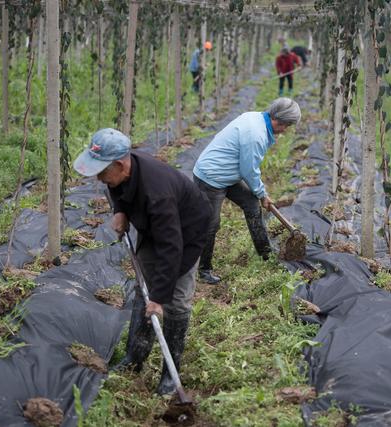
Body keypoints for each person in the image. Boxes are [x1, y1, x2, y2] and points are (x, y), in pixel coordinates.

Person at [73, 128, 212, 395]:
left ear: (120, 165)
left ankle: (170, 376)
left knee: (175, 298)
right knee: (144, 288)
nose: (100, 179)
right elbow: (116, 187)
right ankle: (134, 358)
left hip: (187, 231)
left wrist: (159, 299)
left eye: (103, 172)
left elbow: (172, 249)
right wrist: (121, 211)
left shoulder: (156, 193)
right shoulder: (122, 168)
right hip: (153, 225)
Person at [193, 98, 301, 284]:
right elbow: (249, 171)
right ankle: (204, 270)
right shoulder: (255, 134)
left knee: (251, 203)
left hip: (227, 175)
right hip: (211, 177)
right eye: (287, 126)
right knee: (211, 224)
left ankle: (265, 253)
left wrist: (259, 196)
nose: (286, 130)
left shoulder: (257, 118)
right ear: (278, 121)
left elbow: (247, 169)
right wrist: (262, 194)